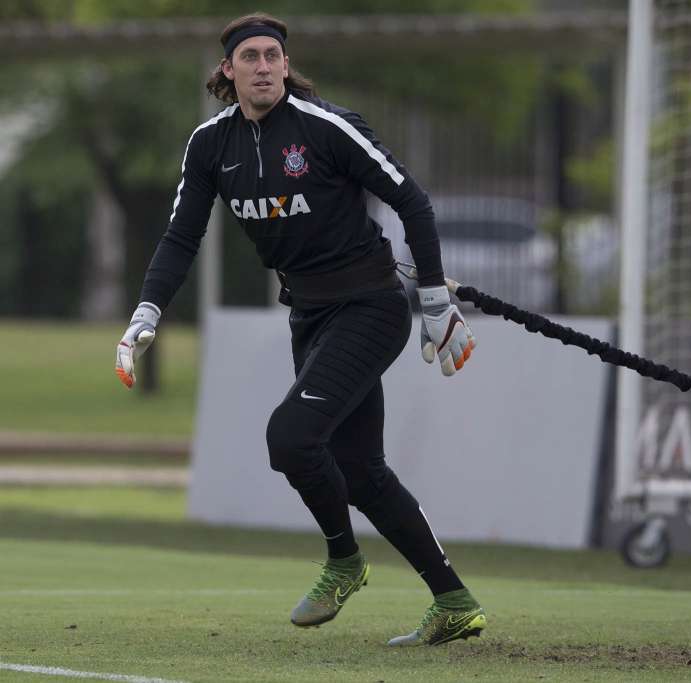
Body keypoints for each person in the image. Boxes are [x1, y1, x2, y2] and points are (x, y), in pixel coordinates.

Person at [114, 12, 485, 647]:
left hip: (370, 306)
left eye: (273, 56)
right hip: (309, 314)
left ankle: (344, 561)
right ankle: (454, 602)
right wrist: (147, 311)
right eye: (250, 57)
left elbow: (412, 200)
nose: (263, 66)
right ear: (228, 70)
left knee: (290, 439)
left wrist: (433, 302)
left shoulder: (325, 126)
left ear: (287, 65)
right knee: (360, 470)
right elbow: (181, 236)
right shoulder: (210, 145)